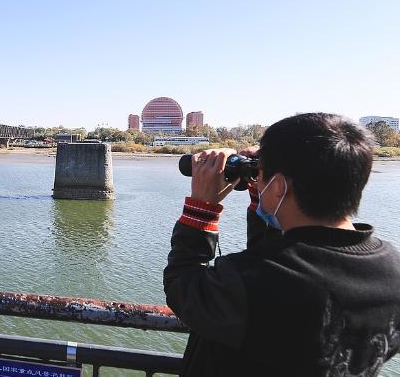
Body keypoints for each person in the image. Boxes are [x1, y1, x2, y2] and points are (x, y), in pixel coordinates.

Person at [163, 113, 400, 376]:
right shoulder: (393, 269)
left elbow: (181, 286)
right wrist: (262, 194)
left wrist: (201, 209)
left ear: (277, 186)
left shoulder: (249, 280)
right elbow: (280, 257)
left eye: (260, 174)